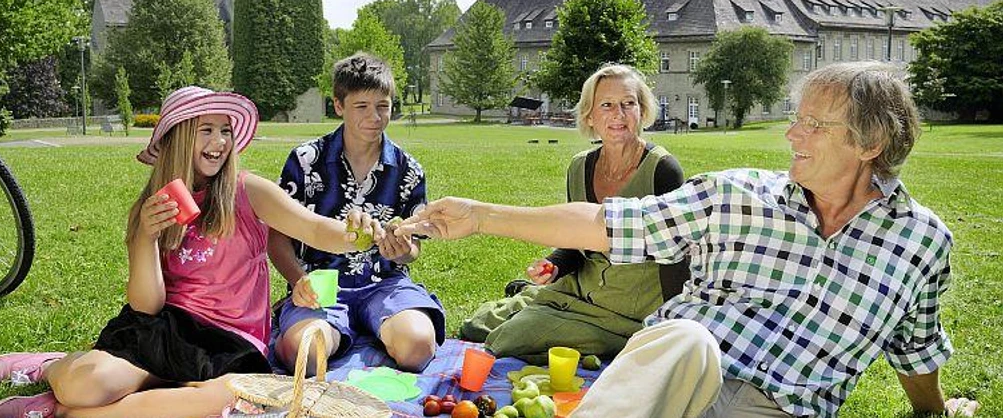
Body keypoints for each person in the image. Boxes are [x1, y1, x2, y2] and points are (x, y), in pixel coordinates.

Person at [397, 62, 980, 418]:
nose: (790, 133)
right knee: (687, 337)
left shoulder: (921, 242)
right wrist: (482, 215)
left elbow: (915, 345)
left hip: (778, 407)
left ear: (871, 144)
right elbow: (606, 225)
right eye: (795, 117)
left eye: (813, 124)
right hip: (673, 375)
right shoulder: (737, 193)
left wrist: (934, 410)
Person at [0, 86, 384, 418]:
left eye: (225, 131)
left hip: (231, 344)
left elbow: (315, 228)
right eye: (206, 130)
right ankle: (49, 367)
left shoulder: (248, 191)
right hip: (168, 328)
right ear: (179, 137)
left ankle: (61, 412)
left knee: (233, 397)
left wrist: (356, 234)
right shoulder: (152, 207)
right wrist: (144, 238)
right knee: (86, 383)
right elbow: (146, 306)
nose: (220, 142)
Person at [460, 63, 689, 364]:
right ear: (589, 116)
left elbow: (678, 257)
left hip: (625, 311)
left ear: (642, 110)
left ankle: (536, 306)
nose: (619, 114)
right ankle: (531, 296)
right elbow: (576, 241)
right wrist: (555, 264)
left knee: (507, 339)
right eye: (607, 105)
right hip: (578, 287)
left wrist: (670, 329)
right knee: (476, 325)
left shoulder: (663, 170)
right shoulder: (580, 166)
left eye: (628, 103)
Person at [268, 52, 444, 374]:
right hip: (321, 285)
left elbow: (414, 248)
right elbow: (277, 239)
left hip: (386, 284)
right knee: (305, 355)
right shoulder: (305, 161)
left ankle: (373, 327)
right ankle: (318, 328)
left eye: (383, 106)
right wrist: (298, 281)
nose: (374, 117)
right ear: (338, 105)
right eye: (361, 106)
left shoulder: (408, 169)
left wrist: (403, 251)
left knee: (418, 347)